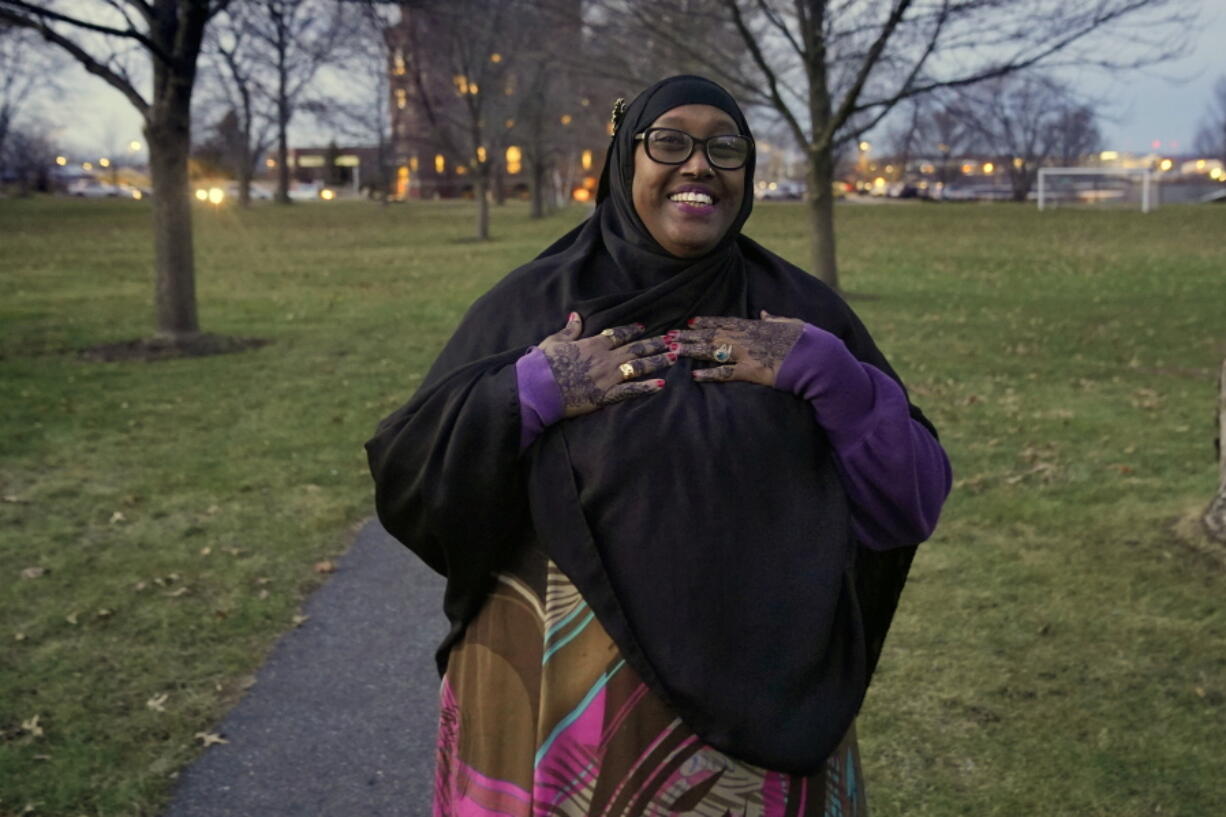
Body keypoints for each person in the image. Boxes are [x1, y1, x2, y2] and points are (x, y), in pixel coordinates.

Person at [366, 75, 952, 816]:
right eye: (670, 141)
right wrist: (529, 393)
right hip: (559, 710)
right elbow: (408, 479)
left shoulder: (803, 313)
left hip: (764, 722)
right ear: (624, 161)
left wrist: (827, 374)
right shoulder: (532, 305)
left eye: (725, 146)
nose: (700, 165)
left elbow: (911, 500)